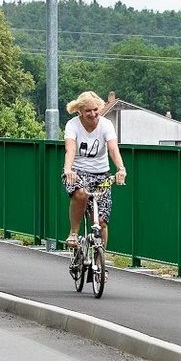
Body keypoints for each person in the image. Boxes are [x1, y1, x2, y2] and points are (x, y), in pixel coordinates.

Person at [62, 91, 127, 247]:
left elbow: (113, 149)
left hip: (102, 175)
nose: (92, 114)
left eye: (95, 109)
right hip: (78, 173)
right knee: (81, 194)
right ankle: (73, 234)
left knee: (101, 222)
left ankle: (100, 262)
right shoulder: (72, 125)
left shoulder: (106, 125)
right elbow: (70, 150)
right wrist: (68, 169)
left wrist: (121, 169)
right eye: (88, 111)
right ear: (80, 111)